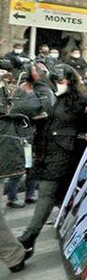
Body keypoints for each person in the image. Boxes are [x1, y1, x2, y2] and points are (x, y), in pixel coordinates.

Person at [16, 65, 87, 251]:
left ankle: (29, 236)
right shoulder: (50, 98)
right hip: (45, 154)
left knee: (47, 195)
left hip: (66, 156)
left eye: (61, 81)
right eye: (55, 81)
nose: (58, 84)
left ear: (70, 80)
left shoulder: (83, 101)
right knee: (55, 197)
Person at [5, 63, 55, 208]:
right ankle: (12, 197)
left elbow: (48, 110)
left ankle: (30, 194)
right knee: (19, 165)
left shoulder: (44, 90)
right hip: (20, 131)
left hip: (38, 132)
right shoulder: (20, 90)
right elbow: (13, 109)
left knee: (33, 165)